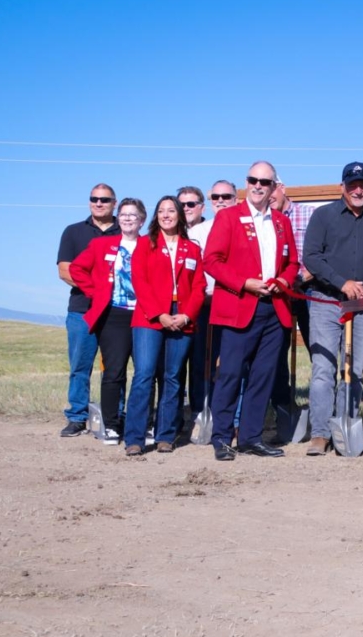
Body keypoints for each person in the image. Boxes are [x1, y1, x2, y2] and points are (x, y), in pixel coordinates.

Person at [204, 162, 299, 461]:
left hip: (274, 309)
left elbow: (293, 263)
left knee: (263, 376)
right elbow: (212, 260)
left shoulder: (281, 222)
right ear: (246, 183)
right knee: (230, 374)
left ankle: (251, 437)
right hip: (239, 306)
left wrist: (283, 281)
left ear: (274, 187)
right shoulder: (229, 217)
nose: (258, 186)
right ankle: (222, 438)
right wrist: (244, 283)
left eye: (264, 182)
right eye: (253, 180)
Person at [302, 162, 363, 456]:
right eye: (352, 185)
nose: (358, 190)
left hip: (362, 305)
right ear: (342, 187)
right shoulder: (323, 215)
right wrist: (342, 283)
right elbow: (312, 257)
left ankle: (346, 425)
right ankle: (320, 433)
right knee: (323, 369)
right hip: (326, 301)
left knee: (354, 370)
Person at [123, 196, 206, 456]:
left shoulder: (191, 249)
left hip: (182, 317)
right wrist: (159, 314)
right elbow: (140, 281)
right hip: (150, 317)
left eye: (171, 210)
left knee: (173, 377)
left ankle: (165, 436)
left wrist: (187, 315)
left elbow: (199, 286)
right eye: (161, 211)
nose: (166, 215)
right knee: (144, 374)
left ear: (180, 215)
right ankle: (135, 438)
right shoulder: (145, 244)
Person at [69, 198, 147, 444]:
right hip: (114, 316)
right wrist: (97, 292)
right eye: (123, 214)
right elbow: (76, 269)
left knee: (146, 373)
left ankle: (142, 424)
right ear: (118, 218)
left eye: (133, 215)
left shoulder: (151, 245)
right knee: (114, 372)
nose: (127, 218)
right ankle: (111, 425)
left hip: (145, 314)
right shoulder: (101, 244)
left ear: (142, 220)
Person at [56, 184, 120, 436]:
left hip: (116, 312)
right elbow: (65, 271)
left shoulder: (126, 230)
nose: (98, 203)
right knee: (80, 366)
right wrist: (98, 291)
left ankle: (116, 416)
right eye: (94, 199)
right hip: (82, 309)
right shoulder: (73, 232)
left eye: (104, 199)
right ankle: (77, 416)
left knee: (115, 368)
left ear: (114, 203)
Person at [184, 179, 237, 424]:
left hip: (235, 303)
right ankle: (199, 410)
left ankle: (229, 413)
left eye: (226, 197)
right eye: (216, 197)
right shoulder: (197, 232)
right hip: (204, 303)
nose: (221, 201)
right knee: (201, 360)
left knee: (232, 362)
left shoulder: (244, 227)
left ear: (236, 199)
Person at [269, 178, 317, 421]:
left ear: (282, 188)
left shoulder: (310, 214)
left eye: (272, 190)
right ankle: (283, 410)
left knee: (319, 351)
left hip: (310, 290)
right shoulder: (264, 220)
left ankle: (323, 410)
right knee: (276, 352)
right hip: (280, 292)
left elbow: (324, 251)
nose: (269, 196)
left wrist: (304, 276)